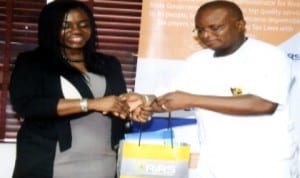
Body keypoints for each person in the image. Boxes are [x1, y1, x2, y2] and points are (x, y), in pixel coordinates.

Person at [152, 1, 298, 178]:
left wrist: (192, 99)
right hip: (213, 164)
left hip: (264, 165)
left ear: (240, 25)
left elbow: (264, 104)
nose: (206, 35)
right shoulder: (196, 62)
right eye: (200, 30)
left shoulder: (269, 56)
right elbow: (171, 99)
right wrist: (143, 103)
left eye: (215, 28)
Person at [9, 1, 150, 178]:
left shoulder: (109, 64)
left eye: (83, 24)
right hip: (51, 164)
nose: (76, 30)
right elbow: (28, 105)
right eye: (65, 25)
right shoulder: (32, 63)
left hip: (103, 164)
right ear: (50, 28)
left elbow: (115, 105)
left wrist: (130, 112)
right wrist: (91, 104)